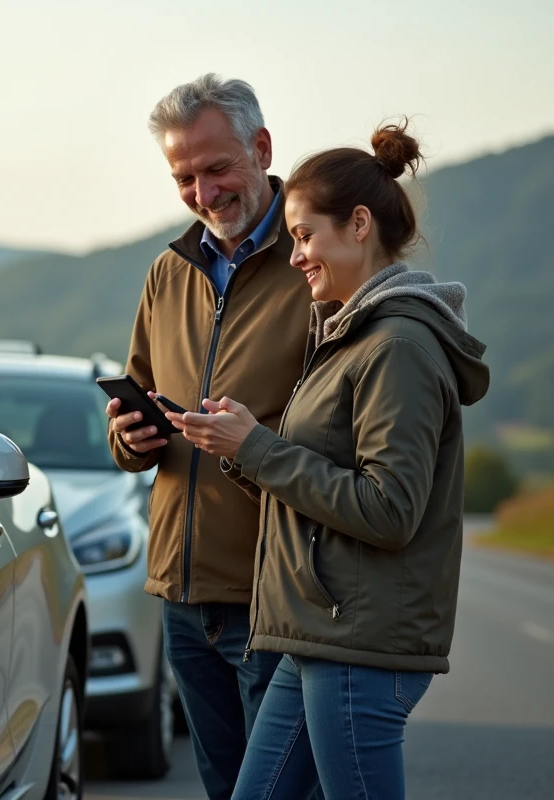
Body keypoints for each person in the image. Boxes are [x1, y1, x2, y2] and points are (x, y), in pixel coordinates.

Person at [166, 120, 490, 799]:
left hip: (359, 642)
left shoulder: (396, 346)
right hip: (319, 633)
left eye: (306, 236)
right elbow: (319, 473)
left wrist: (258, 447)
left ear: (360, 225)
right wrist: (241, 448)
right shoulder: (349, 334)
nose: (295, 256)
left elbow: (389, 509)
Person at [104, 74, 314, 799]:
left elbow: (347, 427)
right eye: (183, 176)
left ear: (261, 149)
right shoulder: (167, 272)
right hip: (181, 599)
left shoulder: (316, 263)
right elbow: (130, 427)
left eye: (217, 167)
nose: (204, 191)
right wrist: (132, 438)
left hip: (278, 597)